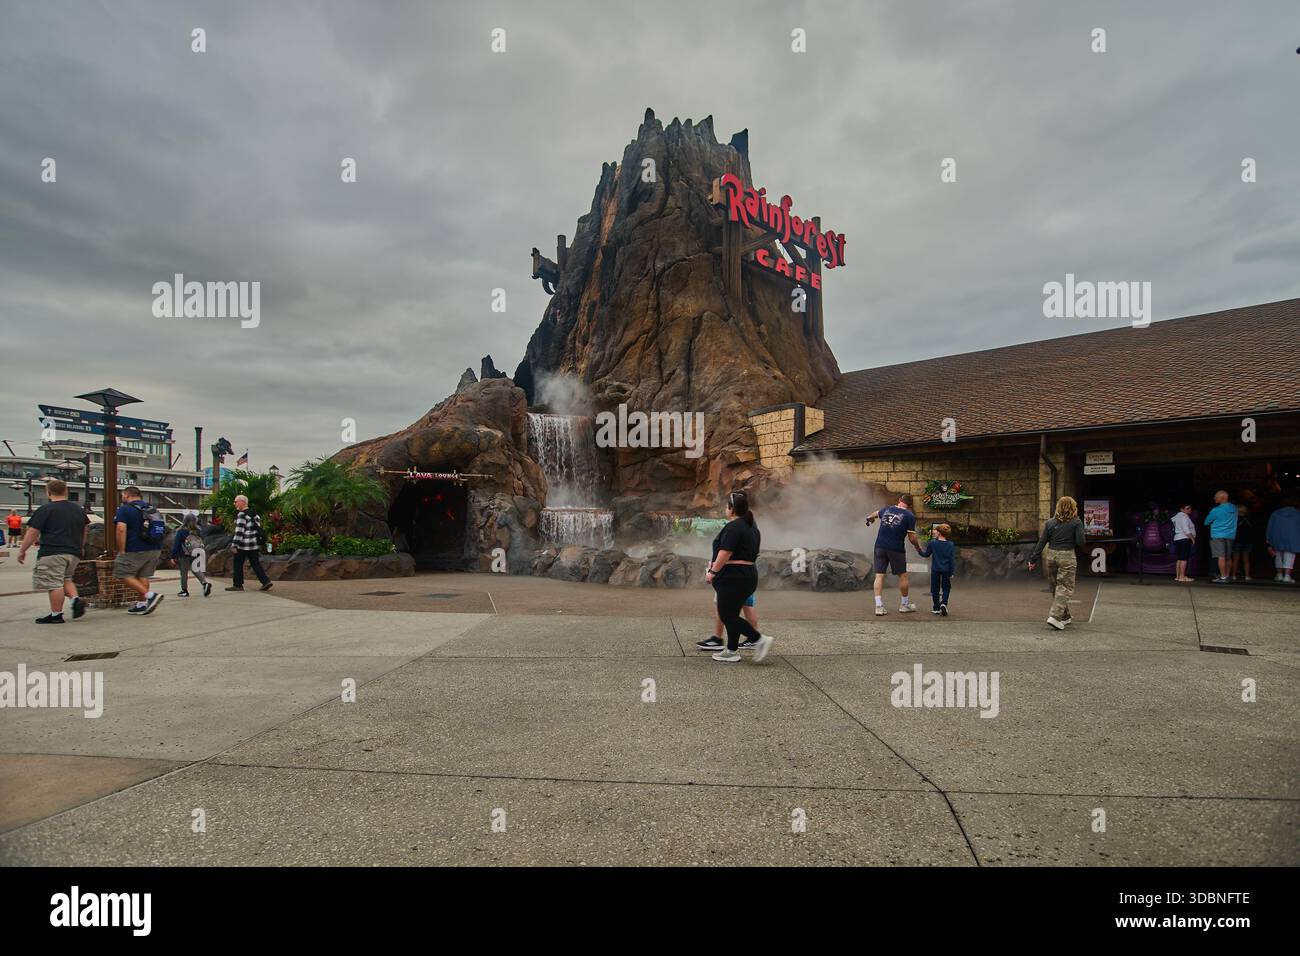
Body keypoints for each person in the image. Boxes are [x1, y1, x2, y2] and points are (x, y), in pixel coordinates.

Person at [705, 491, 773, 664]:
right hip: (748, 576)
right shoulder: (751, 527)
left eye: (726, 507)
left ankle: (759, 639)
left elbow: (725, 552)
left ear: (731, 509)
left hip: (733, 577)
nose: (725, 509)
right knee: (732, 613)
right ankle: (731, 651)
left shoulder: (734, 527)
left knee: (727, 615)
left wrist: (712, 572)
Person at [17, 479, 89, 624]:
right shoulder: (78, 510)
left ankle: (56, 615)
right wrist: (81, 546)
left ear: (48, 492)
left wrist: (22, 550)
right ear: (66, 491)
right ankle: (75, 600)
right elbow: (85, 529)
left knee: (54, 584)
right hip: (73, 552)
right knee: (66, 579)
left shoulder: (46, 509)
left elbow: (32, 531)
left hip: (53, 551)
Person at [1027, 495, 1085, 631]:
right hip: (1067, 556)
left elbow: (1042, 542)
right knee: (1064, 587)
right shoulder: (1076, 522)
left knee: (1056, 586)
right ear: (1073, 507)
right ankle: (1055, 617)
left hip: (1051, 555)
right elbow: (1080, 542)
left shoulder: (1050, 523)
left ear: (1058, 507)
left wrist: (1033, 559)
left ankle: (1065, 616)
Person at [865, 493, 920, 615]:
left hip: (879, 546)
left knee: (879, 576)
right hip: (896, 549)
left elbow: (875, 514)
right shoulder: (909, 516)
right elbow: (912, 538)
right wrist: (917, 546)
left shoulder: (887, 509)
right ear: (910, 506)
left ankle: (879, 607)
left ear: (899, 500)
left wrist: (870, 517)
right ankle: (904, 605)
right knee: (903, 576)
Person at [113, 486, 163, 615]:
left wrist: (122, 549)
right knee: (143, 575)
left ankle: (150, 596)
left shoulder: (125, 509)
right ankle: (142, 604)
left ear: (126, 495)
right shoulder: (152, 509)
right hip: (154, 548)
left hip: (134, 548)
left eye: (122, 495)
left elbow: (121, 529)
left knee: (122, 573)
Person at [227, 494, 272, 592]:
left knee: (237, 564)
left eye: (236, 502)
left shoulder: (242, 514)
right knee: (255, 564)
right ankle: (265, 581)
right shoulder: (255, 514)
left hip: (243, 545)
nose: (234, 504)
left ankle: (238, 585)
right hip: (254, 544)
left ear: (242, 502)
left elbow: (239, 532)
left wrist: (234, 545)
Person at [916, 522, 957, 615]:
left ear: (939, 533)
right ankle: (944, 603)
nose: (934, 531)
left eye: (935, 530)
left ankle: (936, 607)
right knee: (946, 587)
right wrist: (952, 571)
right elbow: (951, 559)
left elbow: (926, 554)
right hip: (946, 570)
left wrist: (918, 549)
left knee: (935, 589)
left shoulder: (933, 543)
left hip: (935, 569)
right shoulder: (951, 544)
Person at [172, 514, 212, 597]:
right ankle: (205, 583)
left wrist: (173, 556)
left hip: (184, 554)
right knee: (195, 569)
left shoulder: (181, 531)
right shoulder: (198, 530)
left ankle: (184, 590)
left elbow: (177, 544)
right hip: (196, 552)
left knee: (184, 573)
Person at [1203, 490, 1238, 583]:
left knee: (1221, 556)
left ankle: (1222, 577)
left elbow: (1206, 522)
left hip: (1218, 535)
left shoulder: (1216, 510)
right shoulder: (1234, 508)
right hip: (1230, 535)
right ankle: (1227, 576)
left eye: (1216, 496)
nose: (1214, 498)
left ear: (1222, 498)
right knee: (1228, 557)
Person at [1265, 496, 1300, 583]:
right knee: (1290, 556)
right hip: (1293, 537)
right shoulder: (1297, 513)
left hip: (1277, 536)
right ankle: (1287, 576)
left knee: (1278, 556)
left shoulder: (1275, 513)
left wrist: (1268, 538)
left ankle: (1279, 574)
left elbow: (1270, 526)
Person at [1171, 503, 1196, 583]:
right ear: (1182, 509)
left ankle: (1178, 576)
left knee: (1180, 558)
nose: (1189, 510)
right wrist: (1192, 539)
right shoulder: (1184, 517)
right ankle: (1182, 576)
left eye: (1190, 508)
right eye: (1187, 508)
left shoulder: (1177, 516)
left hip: (1178, 538)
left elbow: (1175, 523)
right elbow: (1186, 530)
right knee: (1184, 559)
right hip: (1184, 539)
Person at [1230, 504, 1255, 581]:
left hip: (1237, 540)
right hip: (1247, 541)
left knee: (1235, 559)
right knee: (1246, 559)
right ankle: (1247, 575)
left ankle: (1233, 575)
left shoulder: (1234, 519)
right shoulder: (1250, 519)